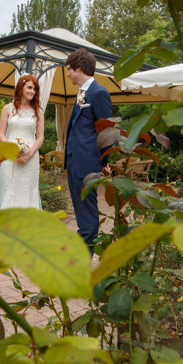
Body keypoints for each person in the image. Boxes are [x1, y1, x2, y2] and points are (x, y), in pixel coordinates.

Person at [64, 48, 112, 253]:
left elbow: (106, 130)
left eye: (69, 70)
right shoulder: (82, 93)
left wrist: (104, 161)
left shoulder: (98, 93)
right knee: (83, 218)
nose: (67, 74)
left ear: (80, 67)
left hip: (87, 165)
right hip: (75, 162)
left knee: (88, 221)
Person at [0, 74, 44, 213]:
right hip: (10, 157)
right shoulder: (8, 109)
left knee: (28, 190)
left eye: (35, 89)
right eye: (29, 87)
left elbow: (40, 137)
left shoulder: (38, 111)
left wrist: (28, 155)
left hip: (30, 158)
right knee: (9, 189)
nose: (32, 91)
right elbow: (1, 133)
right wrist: (11, 150)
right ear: (21, 88)